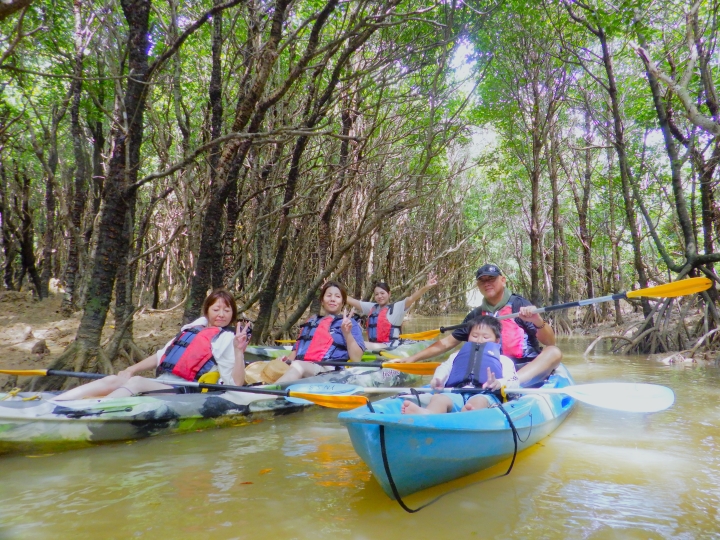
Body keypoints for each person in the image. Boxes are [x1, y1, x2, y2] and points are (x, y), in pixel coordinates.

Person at [55, 289, 250, 400]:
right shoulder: (194, 327)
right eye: (216, 309)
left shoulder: (226, 339)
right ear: (207, 311)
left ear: (232, 314)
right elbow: (161, 356)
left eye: (227, 310)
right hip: (165, 381)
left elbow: (236, 384)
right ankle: (57, 403)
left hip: (186, 390)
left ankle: (95, 411)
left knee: (137, 382)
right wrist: (130, 368)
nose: (222, 314)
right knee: (114, 380)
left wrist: (239, 352)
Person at [394, 264, 561, 388]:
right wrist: (413, 358)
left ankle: (510, 383)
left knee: (554, 352)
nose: (487, 283)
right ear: (478, 285)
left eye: (491, 279)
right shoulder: (476, 315)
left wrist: (537, 320)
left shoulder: (519, 305)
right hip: (488, 372)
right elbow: (447, 343)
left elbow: (550, 342)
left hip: (522, 370)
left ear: (503, 281)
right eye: (482, 281)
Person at [401, 316, 516, 414]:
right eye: (475, 336)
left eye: (486, 337)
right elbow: (444, 368)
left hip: (485, 394)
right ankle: (427, 414)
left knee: (478, 402)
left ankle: (467, 414)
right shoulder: (456, 355)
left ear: (497, 341)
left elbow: (512, 379)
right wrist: (438, 379)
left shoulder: (503, 360)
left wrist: (498, 383)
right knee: (440, 399)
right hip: (457, 392)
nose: (479, 340)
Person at [275, 281, 366, 383]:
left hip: (329, 373)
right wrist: (285, 362)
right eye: (328, 295)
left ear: (343, 302)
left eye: (337, 296)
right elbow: (295, 353)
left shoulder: (349, 323)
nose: (332, 299)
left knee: (298, 365)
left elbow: (356, 358)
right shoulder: (312, 322)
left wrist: (347, 333)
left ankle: (269, 393)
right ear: (322, 300)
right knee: (275, 365)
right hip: (304, 368)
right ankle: (261, 389)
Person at [346, 274, 438, 350]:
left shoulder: (397, 308)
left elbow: (412, 298)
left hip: (391, 346)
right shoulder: (372, 307)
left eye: (382, 293)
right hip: (374, 347)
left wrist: (426, 287)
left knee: (357, 343)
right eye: (377, 294)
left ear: (389, 294)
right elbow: (353, 301)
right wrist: (336, 294)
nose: (379, 296)